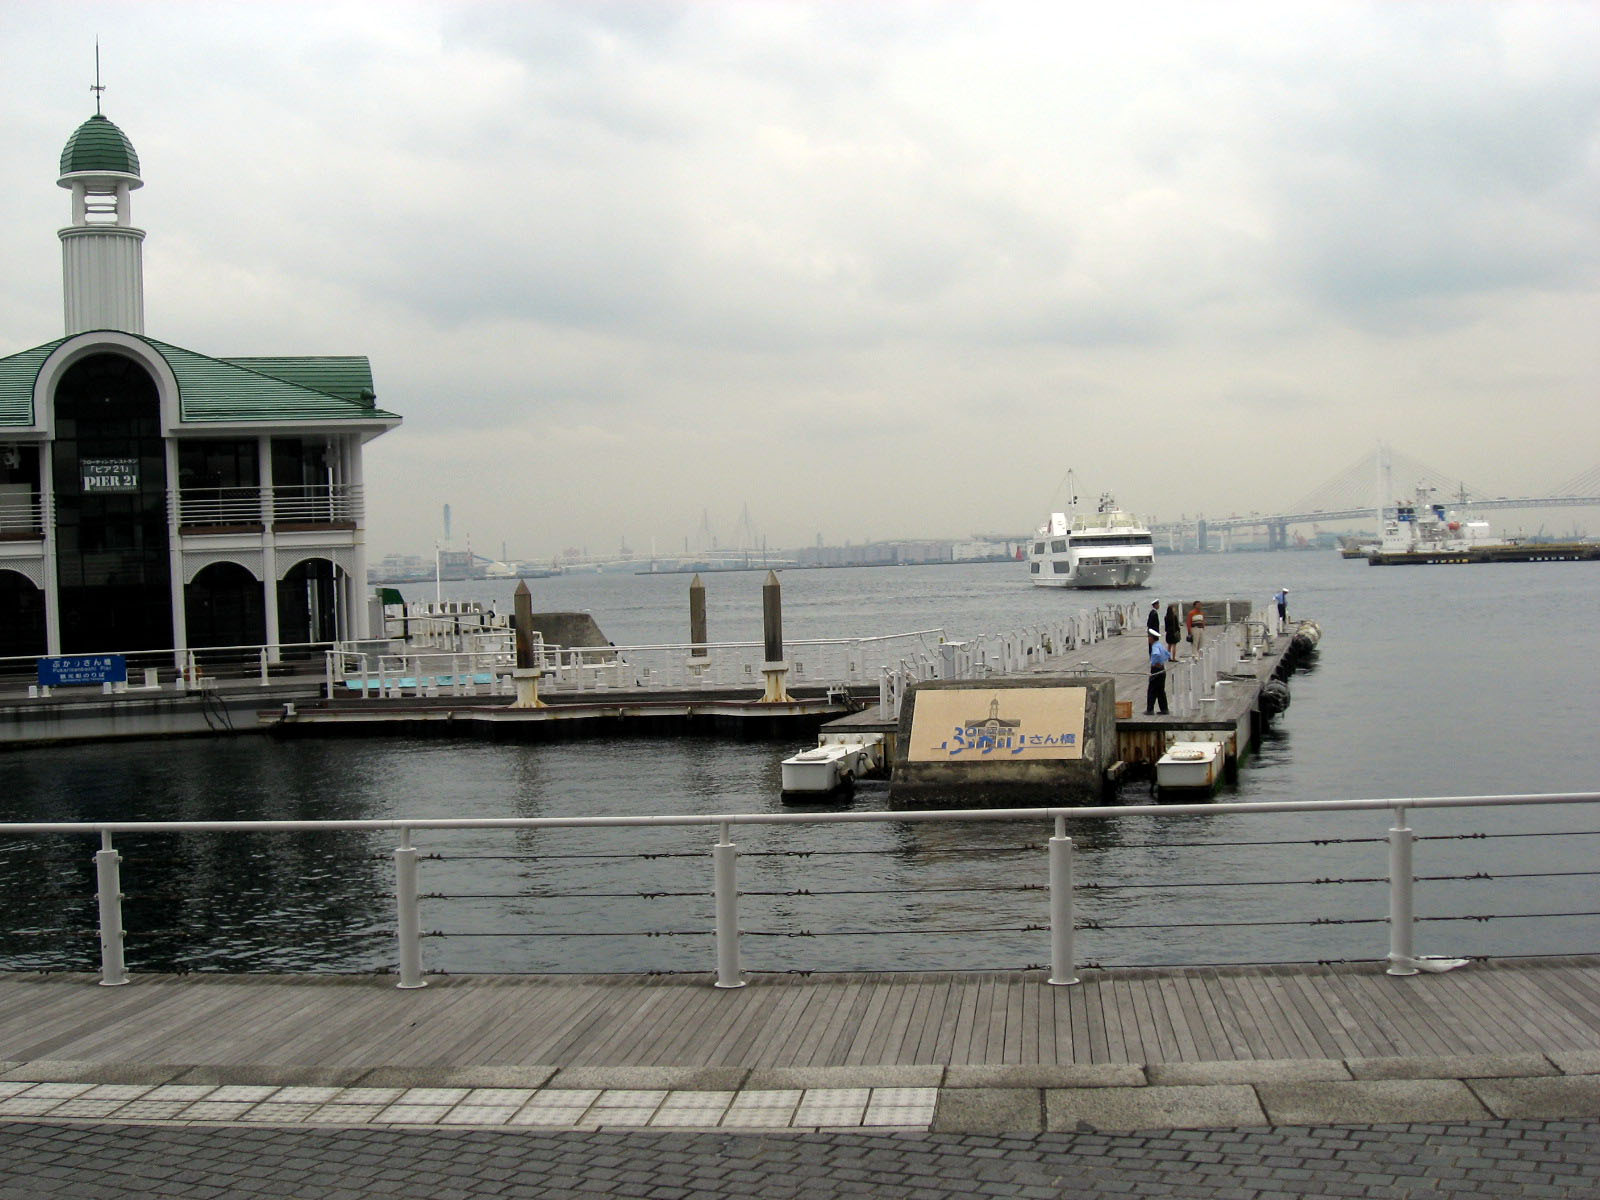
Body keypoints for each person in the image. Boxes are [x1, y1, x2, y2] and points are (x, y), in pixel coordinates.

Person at [1146, 632, 1171, 715]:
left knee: (1152, 690)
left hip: (1156, 669)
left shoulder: (1155, 646)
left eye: (1149, 637)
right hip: (1162, 669)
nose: (1148, 639)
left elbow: (1156, 654)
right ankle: (1164, 709)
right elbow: (1167, 654)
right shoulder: (1159, 645)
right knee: (1161, 690)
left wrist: (1154, 662)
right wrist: (1162, 661)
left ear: (1152, 638)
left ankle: (1150, 709)